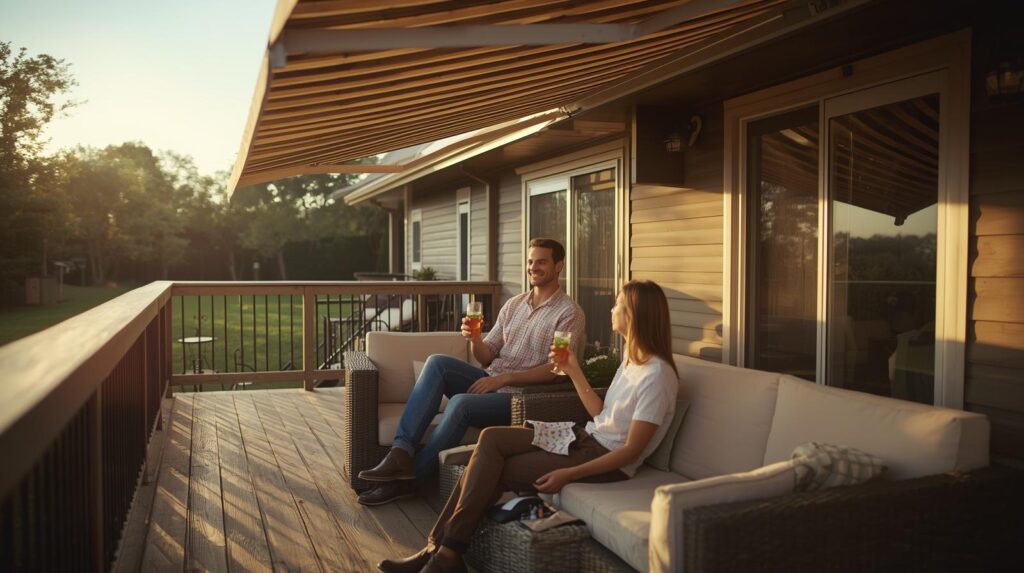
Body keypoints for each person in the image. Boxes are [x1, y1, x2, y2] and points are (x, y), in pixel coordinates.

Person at [377, 280, 679, 573]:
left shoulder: (657, 376)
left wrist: (568, 474)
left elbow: (630, 452)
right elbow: (601, 412)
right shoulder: (631, 362)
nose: (612, 309)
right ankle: (439, 550)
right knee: (491, 439)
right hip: (584, 436)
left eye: (618, 305)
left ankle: (443, 552)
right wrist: (573, 370)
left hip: (601, 456)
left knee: (486, 469)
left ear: (635, 316)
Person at [357, 238, 586, 506]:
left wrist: (504, 379)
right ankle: (400, 453)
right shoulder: (514, 305)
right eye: (530, 261)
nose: (533, 267)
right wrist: (476, 339)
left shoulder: (568, 313)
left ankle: (410, 480)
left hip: (522, 397)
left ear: (558, 266)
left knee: (461, 403)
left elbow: (556, 369)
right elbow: (487, 355)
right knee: (437, 363)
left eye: (541, 262)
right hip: (492, 381)